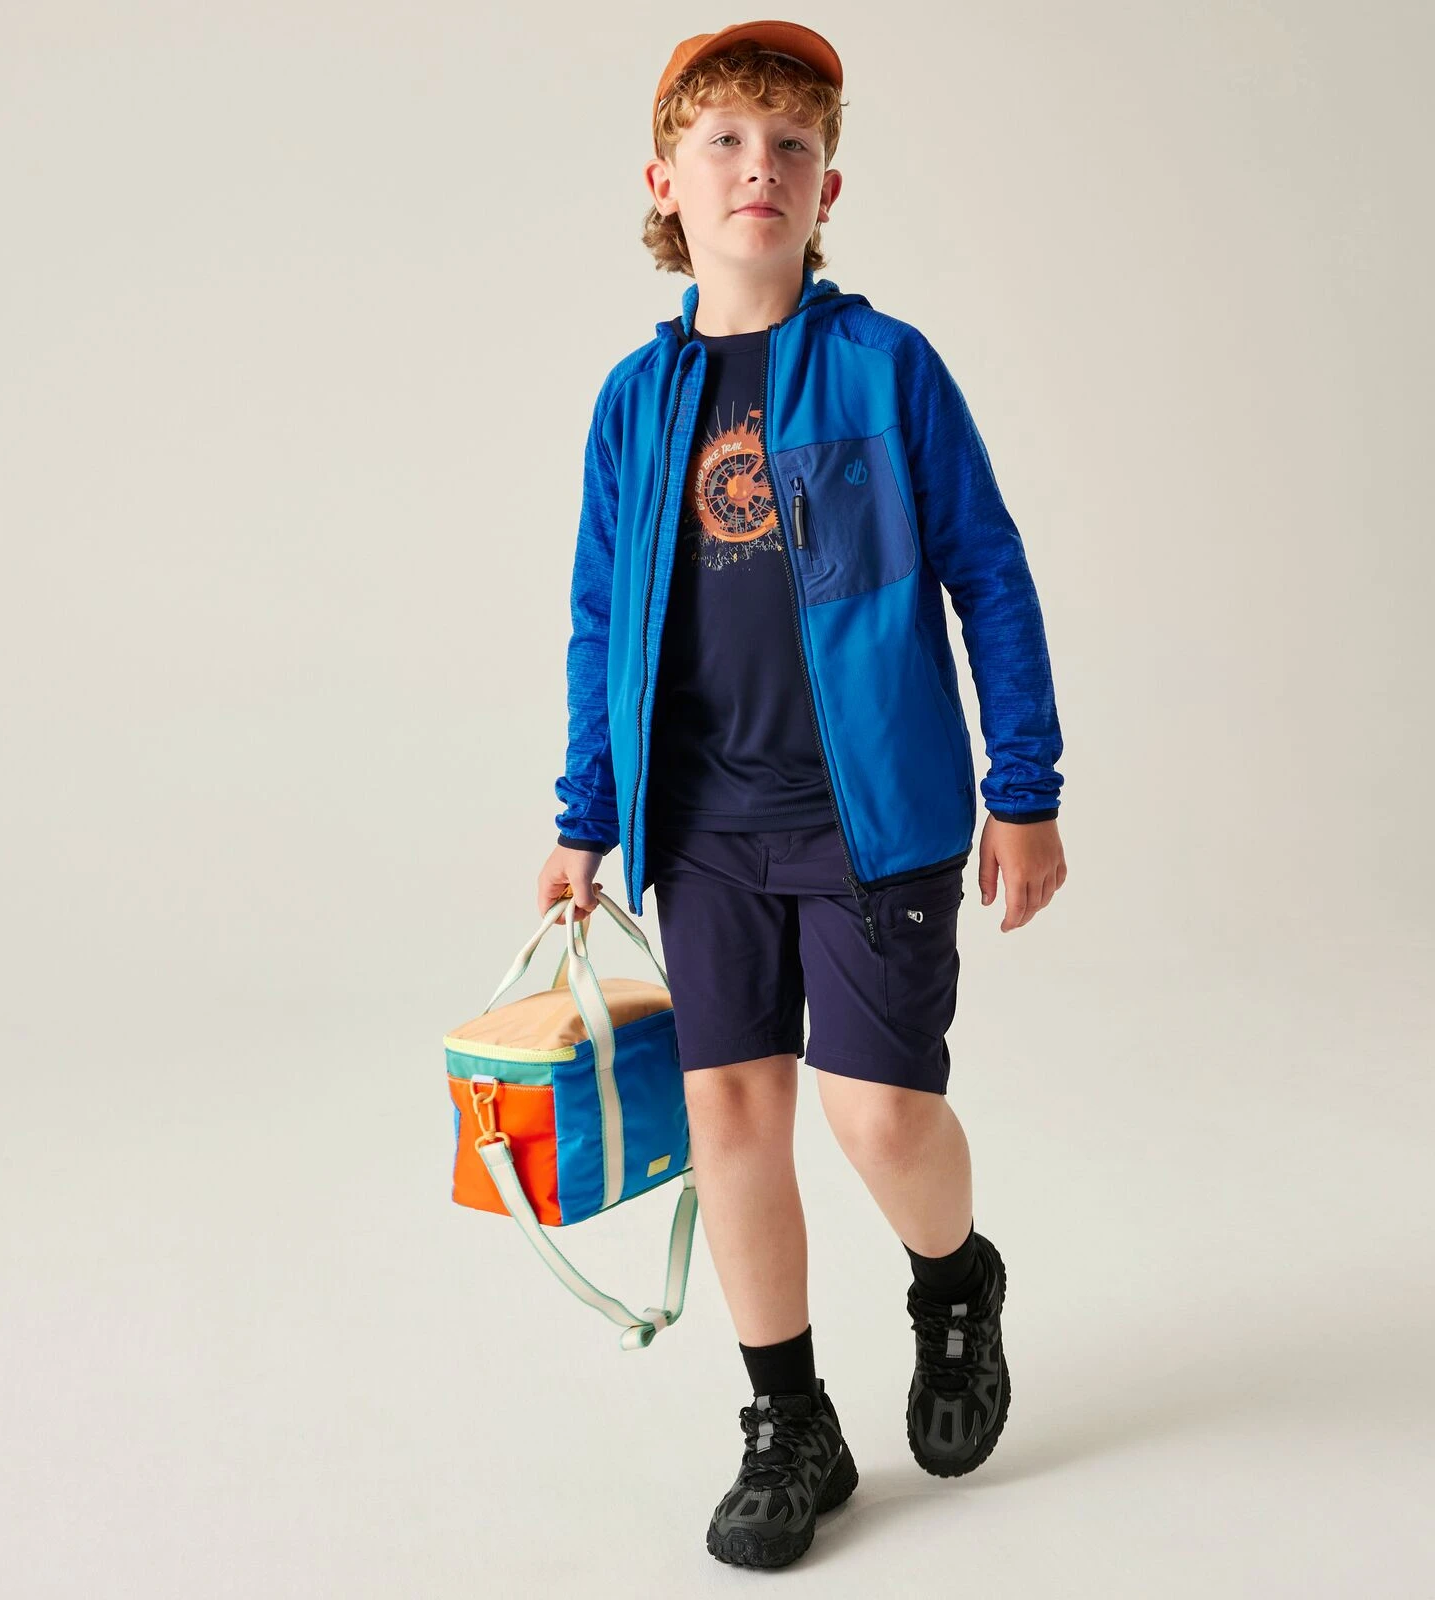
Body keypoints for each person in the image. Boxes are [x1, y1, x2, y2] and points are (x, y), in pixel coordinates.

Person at [535, 20, 1067, 1571]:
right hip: (703, 822)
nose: (757, 166)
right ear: (665, 182)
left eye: (791, 144)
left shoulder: (889, 370)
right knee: (733, 1111)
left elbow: (990, 576)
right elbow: (598, 617)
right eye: (724, 141)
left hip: (871, 816)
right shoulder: (635, 403)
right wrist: (583, 817)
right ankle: (788, 1419)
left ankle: (954, 1282)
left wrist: (1024, 788)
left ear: (827, 187)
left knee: (878, 1110)